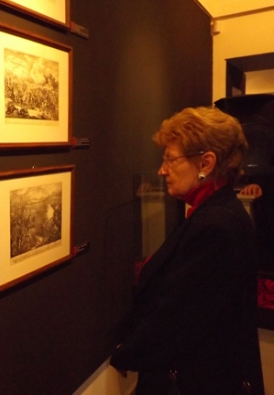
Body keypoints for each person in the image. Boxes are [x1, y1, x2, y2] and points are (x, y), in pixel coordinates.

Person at [110, 107, 265, 394]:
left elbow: (177, 319)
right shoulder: (217, 211)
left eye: (170, 159)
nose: (162, 170)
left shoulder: (216, 225)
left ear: (206, 162)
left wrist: (126, 353)